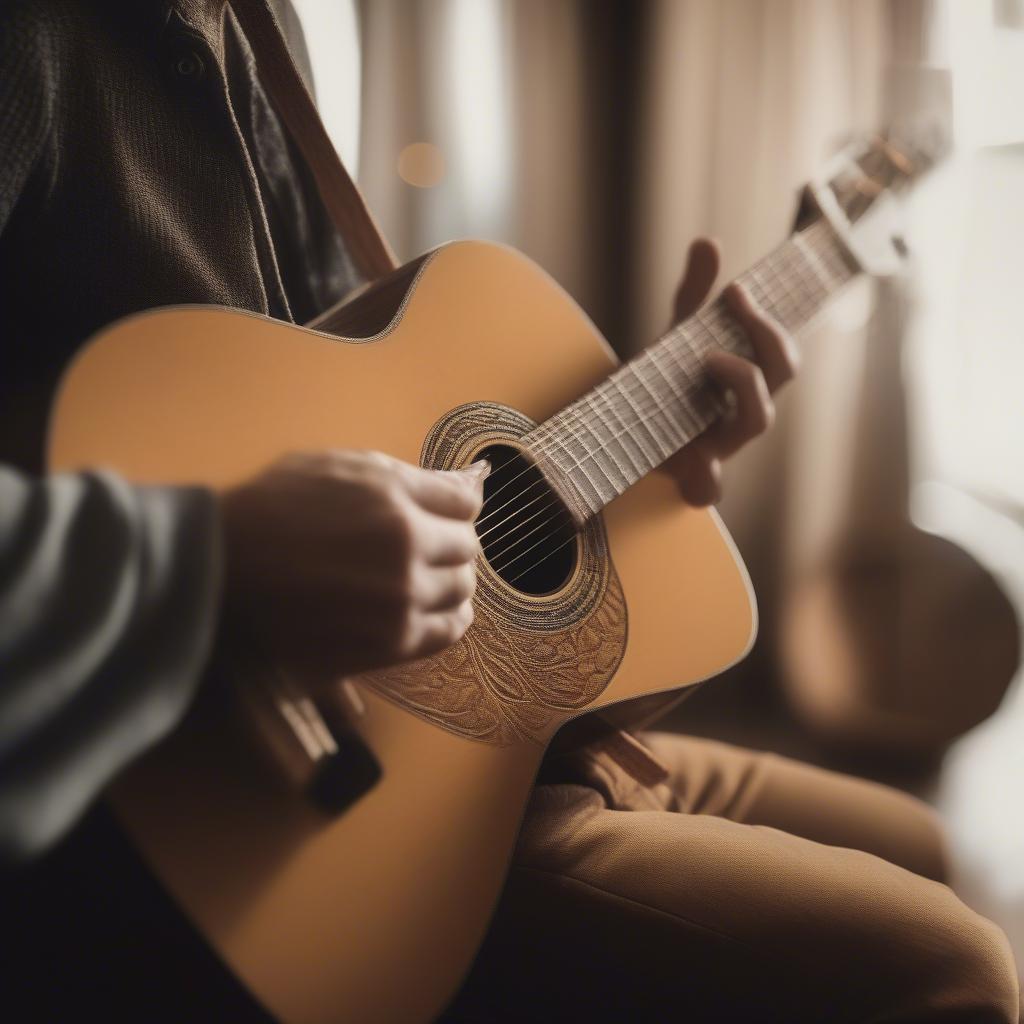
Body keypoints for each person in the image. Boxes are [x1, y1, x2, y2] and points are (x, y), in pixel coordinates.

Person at [0, 1, 1017, 1021]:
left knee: (916, 843)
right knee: (951, 968)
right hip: (199, 810)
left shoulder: (259, 29)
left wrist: (658, 433)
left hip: (447, 751)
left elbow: (353, 394)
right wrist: (212, 562)